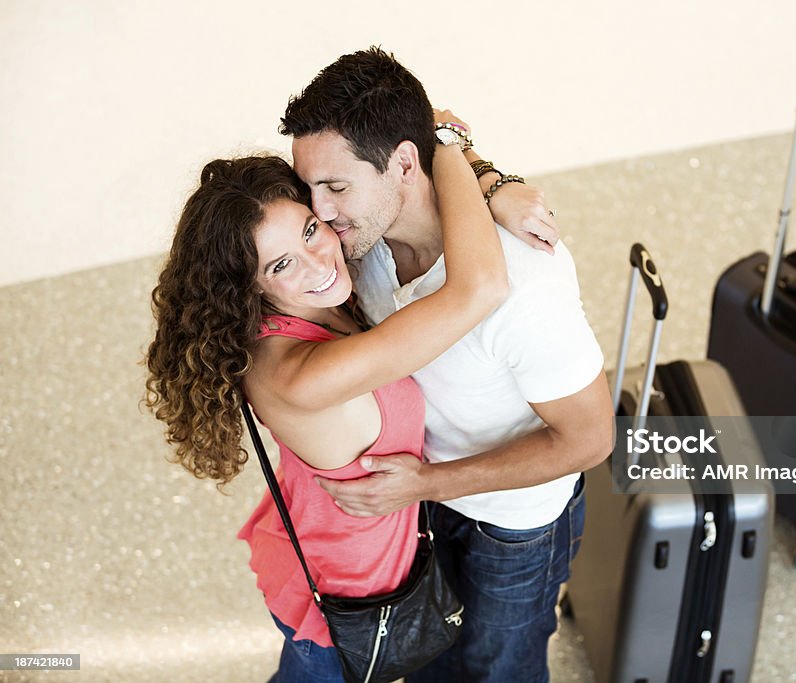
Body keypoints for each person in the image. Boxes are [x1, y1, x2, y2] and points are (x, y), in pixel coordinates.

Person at [145, 109, 549, 681]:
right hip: (343, 600)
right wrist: (452, 149)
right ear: (249, 288)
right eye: (281, 263)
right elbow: (480, 286)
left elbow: (398, 135)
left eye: (310, 229)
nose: (319, 261)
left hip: (325, 542)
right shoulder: (302, 375)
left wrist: (492, 184)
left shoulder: (318, 300)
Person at [281, 47, 615, 682]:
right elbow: (437, 123)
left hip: (516, 528)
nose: (319, 213)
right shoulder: (361, 244)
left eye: (336, 186)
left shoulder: (525, 285)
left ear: (405, 164)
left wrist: (426, 484)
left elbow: (591, 438)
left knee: (498, 668)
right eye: (312, 187)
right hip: (428, 498)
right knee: (433, 657)